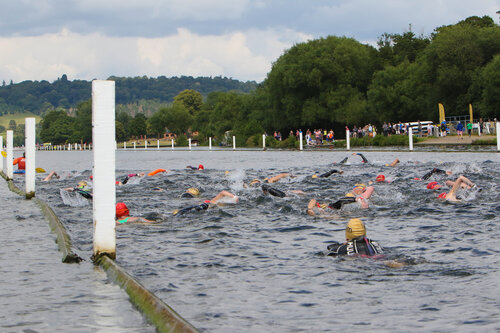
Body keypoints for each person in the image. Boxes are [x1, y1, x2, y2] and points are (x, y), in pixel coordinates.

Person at [173, 190, 238, 216]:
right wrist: (233, 197)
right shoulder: (217, 203)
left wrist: (234, 197)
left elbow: (222, 192)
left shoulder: (212, 201)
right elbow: (223, 192)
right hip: (204, 209)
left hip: (202, 208)